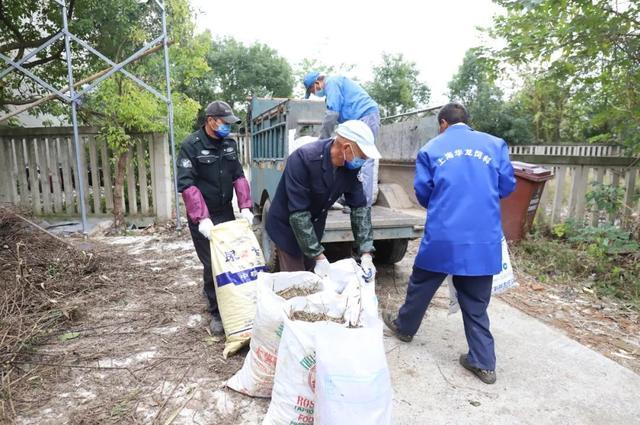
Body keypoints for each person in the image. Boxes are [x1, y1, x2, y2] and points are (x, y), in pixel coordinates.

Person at [382, 103, 516, 385]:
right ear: (468, 122)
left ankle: (405, 328)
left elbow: (423, 193)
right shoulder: (495, 144)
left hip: (444, 236)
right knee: (476, 301)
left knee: (421, 286)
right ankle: (484, 362)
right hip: (482, 238)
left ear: (442, 123)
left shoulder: (432, 148)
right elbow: (506, 186)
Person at [265, 120, 380, 280]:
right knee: (297, 282)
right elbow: (298, 214)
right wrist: (319, 256)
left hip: (314, 226)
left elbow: (359, 208)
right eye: (362, 156)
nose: (364, 160)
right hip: (287, 228)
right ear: (347, 148)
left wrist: (366, 252)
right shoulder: (303, 159)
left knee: (314, 277)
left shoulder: (350, 167)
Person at [177, 100, 254, 335]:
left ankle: (234, 299)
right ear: (211, 121)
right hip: (203, 217)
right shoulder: (191, 146)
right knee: (212, 263)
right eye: (224, 123)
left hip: (225, 212)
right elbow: (186, 184)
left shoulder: (229, 144)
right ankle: (216, 311)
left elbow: (238, 175)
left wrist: (246, 206)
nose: (228, 128)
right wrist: (201, 218)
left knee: (231, 258)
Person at [303, 71, 381, 208]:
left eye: (312, 90)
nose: (314, 93)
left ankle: (363, 204)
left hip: (366, 116)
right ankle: (349, 197)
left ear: (317, 83)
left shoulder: (332, 83)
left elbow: (332, 114)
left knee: (364, 157)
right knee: (347, 157)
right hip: (356, 122)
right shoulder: (332, 91)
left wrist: (321, 141)